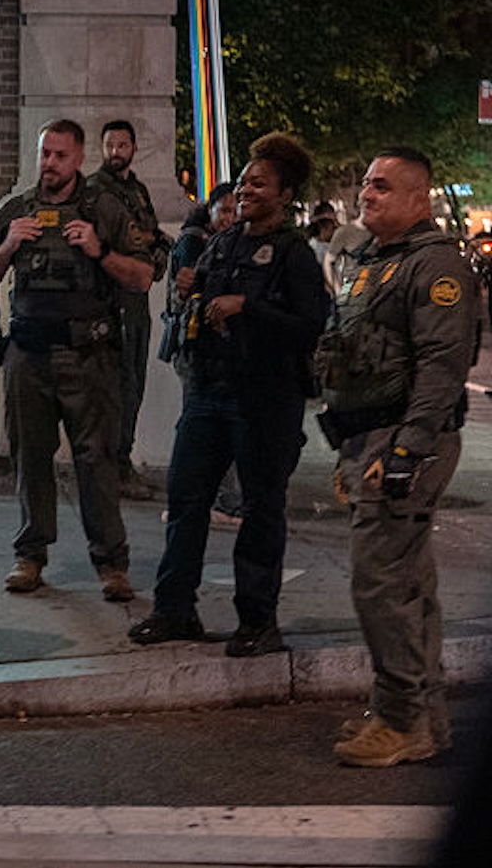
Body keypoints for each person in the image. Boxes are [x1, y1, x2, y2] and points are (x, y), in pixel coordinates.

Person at [128, 133, 327, 657]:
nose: (245, 189)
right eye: (242, 180)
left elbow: (310, 326)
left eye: (258, 183)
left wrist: (248, 307)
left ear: (285, 194)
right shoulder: (224, 241)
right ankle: (174, 611)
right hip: (209, 392)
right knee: (186, 498)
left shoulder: (294, 254)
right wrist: (190, 289)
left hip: (264, 400)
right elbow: (198, 304)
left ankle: (258, 623)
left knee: (261, 509)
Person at [314, 147, 475, 768]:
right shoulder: (372, 259)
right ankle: (424, 718)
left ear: (418, 199)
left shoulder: (434, 267)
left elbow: (441, 369)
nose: (366, 193)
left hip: (402, 441)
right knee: (409, 584)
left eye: (382, 186)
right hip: (370, 439)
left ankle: (400, 717)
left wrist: (407, 450)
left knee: (379, 585)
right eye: (365, 184)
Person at [0, 118, 153, 600]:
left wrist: (99, 251)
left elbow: (141, 277)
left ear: (77, 160)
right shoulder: (17, 209)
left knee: (96, 461)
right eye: (44, 153)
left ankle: (111, 564)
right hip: (28, 355)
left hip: (88, 356)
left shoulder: (104, 209)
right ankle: (30, 555)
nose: (49, 163)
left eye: (59, 155)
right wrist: (10, 243)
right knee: (31, 458)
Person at [88, 120, 170, 501]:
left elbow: (152, 237)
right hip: (109, 300)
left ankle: (122, 460)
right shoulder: (95, 191)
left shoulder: (137, 191)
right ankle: (112, 466)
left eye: (122, 144)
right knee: (115, 387)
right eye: (110, 145)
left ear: (134, 148)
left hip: (136, 299)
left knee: (134, 381)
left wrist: (154, 255)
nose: (116, 151)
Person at [160, 182, 245, 526]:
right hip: (196, 348)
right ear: (208, 212)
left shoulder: (231, 244)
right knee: (200, 426)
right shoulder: (195, 244)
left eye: (234, 209)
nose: (230, 217)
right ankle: (218, 501)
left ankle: (220, 500)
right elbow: (190, 296)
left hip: (221, 353)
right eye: (223, 210)